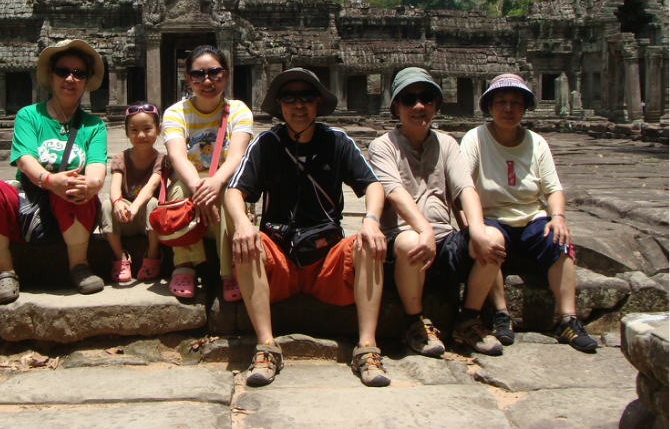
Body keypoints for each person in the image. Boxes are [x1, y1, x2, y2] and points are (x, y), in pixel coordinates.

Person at [225, 69, 389, 387]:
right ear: (279, 105)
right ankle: (266, 347)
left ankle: (367, 348)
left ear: (318, 103)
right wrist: (243, 223)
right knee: (247, 243)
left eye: (306, 96)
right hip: (279, 259)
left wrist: (371, 220)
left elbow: (372, 184)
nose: (298, 104)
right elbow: (235, 191)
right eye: (289, 97)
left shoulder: (337, 141)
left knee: (369, 243)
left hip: (327, 260)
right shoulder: (267, 143)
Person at [367, 67, 506, 358]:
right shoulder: (382, 146)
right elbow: (395, 192)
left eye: (426, 99)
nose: (419, 106)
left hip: (445, 242)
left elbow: (465, 189)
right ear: (396, 107)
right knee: (411, 241)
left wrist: (477, 231)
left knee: (493, 237)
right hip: (402, 245)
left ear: (436, 105)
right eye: (409, 99)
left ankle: (468, 318)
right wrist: (424, 230)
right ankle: (414, 322)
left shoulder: (447, 143)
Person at [460, 73, 597, 352]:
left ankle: (568, 319)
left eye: (515, 103)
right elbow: (463, 185)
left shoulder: (537, 142)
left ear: (524, 108)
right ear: (489, 106)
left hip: (531, 217)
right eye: (501, 102)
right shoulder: (475, 139)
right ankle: (501, 314)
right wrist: (471, 227)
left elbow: (553, 189)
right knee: (490, 242)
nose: (508, 109)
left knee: (560, 240)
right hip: (491, 216)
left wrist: (558, 218)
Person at [0, 39, 108, 297]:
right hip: (30, 202)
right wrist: (48, 180)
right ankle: (5, 271)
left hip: (71, 207)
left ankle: (79, 265)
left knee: (76, 186)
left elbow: (97, 164)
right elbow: (25, 159)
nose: (70, 78)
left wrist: (93, 183)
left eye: (78, 73)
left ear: (86, 80)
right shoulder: (29, 115)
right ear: (51, 76)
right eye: (62, 71)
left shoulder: (93, 125)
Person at [162, 45, 254, 300]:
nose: (207, 81)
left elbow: (237, 155)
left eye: (215, 72)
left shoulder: (239, 110)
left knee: (230, 194)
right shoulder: (175, 112)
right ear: (188, 78)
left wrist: (215, 183)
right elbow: (177, 156)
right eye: (198, 74)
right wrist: (199, 188)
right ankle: (184, 265)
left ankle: (230, 271)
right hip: (190, 182)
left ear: (226, 74)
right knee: (178, 189)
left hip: (223, 179)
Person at [101, 101, 166, 282]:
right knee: (107, 204)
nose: (141, 135)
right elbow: (114, 186)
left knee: (153, 203)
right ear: (127, 132)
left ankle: (153, 254)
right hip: (125, 218)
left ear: (158, 129)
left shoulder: (161, 159)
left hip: (148, 219)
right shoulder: (121, 157)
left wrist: (136, 206)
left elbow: (152, 185)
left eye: (147, 129)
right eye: (134, 130)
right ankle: (120, 256)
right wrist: (117, 202)